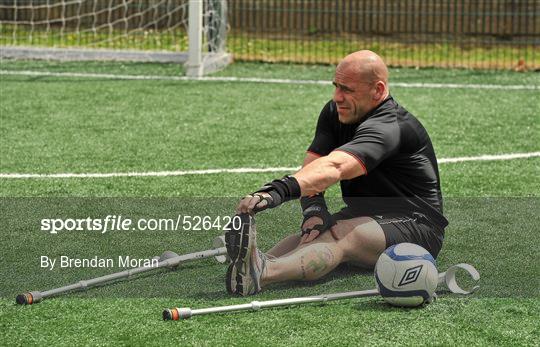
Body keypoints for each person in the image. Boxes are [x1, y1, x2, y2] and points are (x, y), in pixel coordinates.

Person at [225, 50, 448, 296]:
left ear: (378, 89)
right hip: (364, 215)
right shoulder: (335, 112)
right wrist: (314, 209)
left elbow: (337, 166)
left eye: (347, 90)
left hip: (417, 225)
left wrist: (278, 190)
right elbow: (312, 167)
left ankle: (263, 273)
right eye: (336, 86)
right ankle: (250, 264)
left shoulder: (389, 126)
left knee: (340, 234)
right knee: (311, 234)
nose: (337, 97)